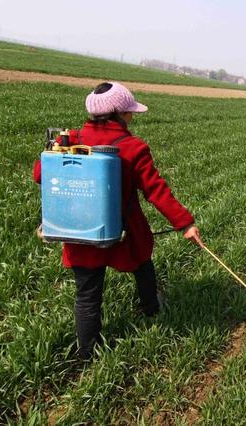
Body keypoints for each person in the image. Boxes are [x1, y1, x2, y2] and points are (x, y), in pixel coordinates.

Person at [32, 82, 202, 360]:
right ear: (120, 114)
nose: (132, 117)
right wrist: (184, 223)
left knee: (87, 296)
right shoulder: (133, 147)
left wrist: (54, 148)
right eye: (130, 112)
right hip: (123, 231)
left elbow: (39, 175)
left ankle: (87, 354)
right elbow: (156, 190)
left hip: (79, 230)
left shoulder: (70, 139)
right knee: (143, 265)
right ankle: (151, 308)